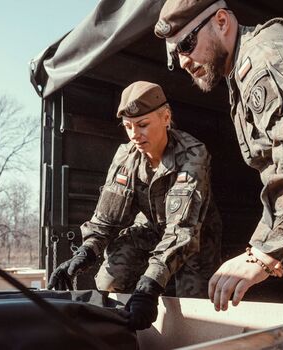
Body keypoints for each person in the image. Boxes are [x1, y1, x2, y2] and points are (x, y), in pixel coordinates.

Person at [154, 0, 283, 311]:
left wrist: (264, 251)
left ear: (221, 21)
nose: (183, 60)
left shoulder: (265, 55)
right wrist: (273, 245)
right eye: (175, 55)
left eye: (187, 43)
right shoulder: (240, 73)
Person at [48, 81, 222, 329]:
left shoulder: (193, 154)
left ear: (166, 117)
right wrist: (84, 254)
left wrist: (149, 285)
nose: (134, 135)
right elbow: (106, 220)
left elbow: (181, 230)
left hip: (195, 238)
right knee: (108, 281)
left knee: (192, 308)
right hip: (150, 229)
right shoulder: (126, 155)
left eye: (142, 125)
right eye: (128, 127)